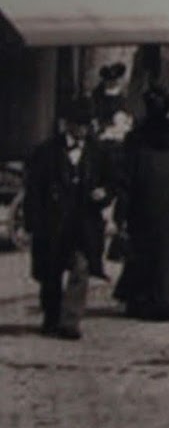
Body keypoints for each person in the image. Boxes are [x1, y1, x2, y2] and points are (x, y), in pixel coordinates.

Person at [23, 96, 114, 339]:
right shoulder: (46, 152)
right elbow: (34, 190)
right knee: (50, 273)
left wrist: (104, 193)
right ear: (67, 124)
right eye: (78, 124)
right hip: (53, 224)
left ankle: (70, 321)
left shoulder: (99, 151)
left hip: (83, 224)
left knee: (81, 268)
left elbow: (113, 181)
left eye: (87, 124)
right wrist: (31, 222)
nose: (83, 130)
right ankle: (51, 317)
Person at [112, 86, 169, 320]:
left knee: (144, 251)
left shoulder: (136, 138)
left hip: (144, 203)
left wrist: (120, 214)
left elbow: (125, 179)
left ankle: (141, 298)